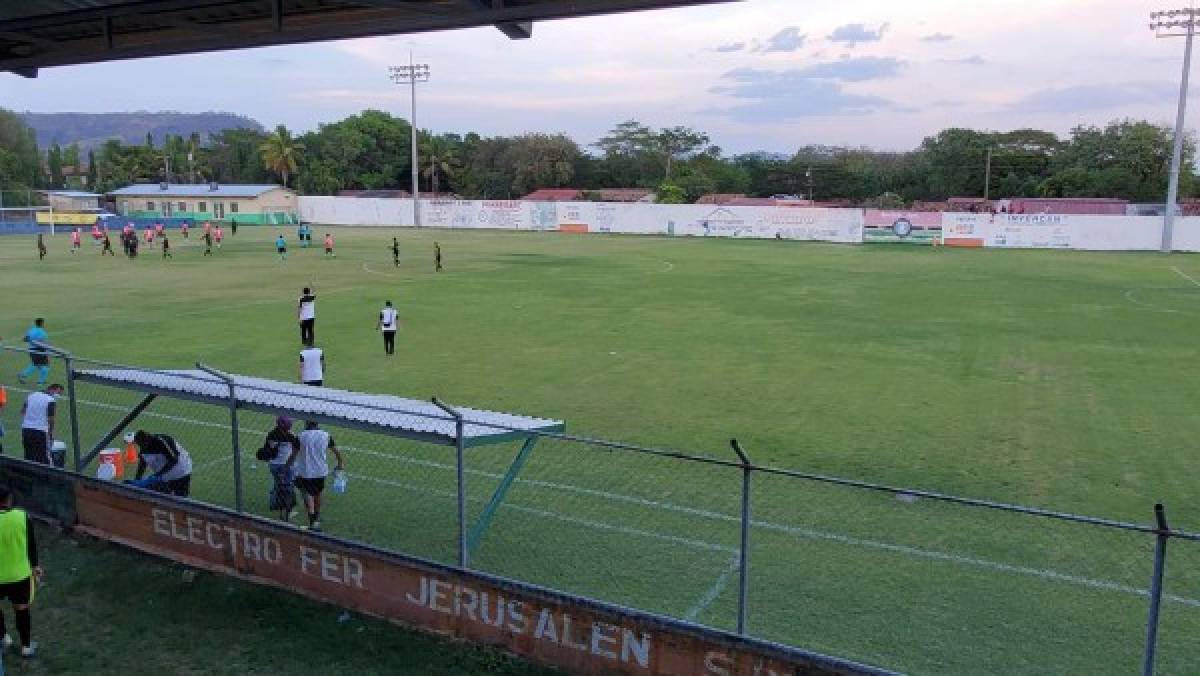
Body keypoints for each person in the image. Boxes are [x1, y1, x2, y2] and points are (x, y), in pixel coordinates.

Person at [0, 486, 44, 658]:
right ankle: (26, 647)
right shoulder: (22, 517)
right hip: (19, 575)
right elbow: (31, 545)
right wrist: (35, 566)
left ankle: (3, 638)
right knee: (21, 609)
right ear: (8, 500)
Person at [287, 421, 344, 531]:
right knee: (318, 493)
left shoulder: (300, 436)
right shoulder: (326, 435)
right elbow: (336, 451)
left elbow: (293, 454)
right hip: (321, 471)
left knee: (307, 494)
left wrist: (287, 466)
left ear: (307, 424)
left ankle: (312, 521)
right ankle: (316, 517)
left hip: (305, 471)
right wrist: (340, 463)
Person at [129, 431, 192, 497]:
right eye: (139, 445)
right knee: (161, 496)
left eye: (141, 444)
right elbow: (143, 462)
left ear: (147, 440)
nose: (141, 447)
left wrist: (157, 475)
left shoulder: (161, 442)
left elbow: (174, 459)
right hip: (164, 475)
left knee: (180, 498)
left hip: (181, 471)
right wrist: (137, 480)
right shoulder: (144, 446)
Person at [262, 417, 299, 521]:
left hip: (274, 465)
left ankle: (275, 505)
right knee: (288, 488)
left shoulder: (271, 434)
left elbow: (268, 449)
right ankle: (287, 512)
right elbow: (295, 451)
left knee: (278, 485)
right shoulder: (291, 436)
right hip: (286, 465)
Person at [20, 384, 62, 467]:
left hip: (26, 429)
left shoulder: (31, 395)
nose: (58, 396)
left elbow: (22, 411)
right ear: (54, 389)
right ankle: (48, 477)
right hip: (41, 431)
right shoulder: (50, 400)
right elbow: (51, 419)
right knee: (45, 457)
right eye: (59, 393)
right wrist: (50, 432)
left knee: (28, 455)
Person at [17, 319, 50, 386]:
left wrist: (32, 341)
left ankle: (23, 375)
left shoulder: (31, 330)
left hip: (31, 350)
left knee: (36, 364)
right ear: (42, 323)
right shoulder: (43, 333)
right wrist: (47, 353)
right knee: (44, 366)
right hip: (40, 350)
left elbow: (24, 339)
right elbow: (44, 344)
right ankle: (40, 382)